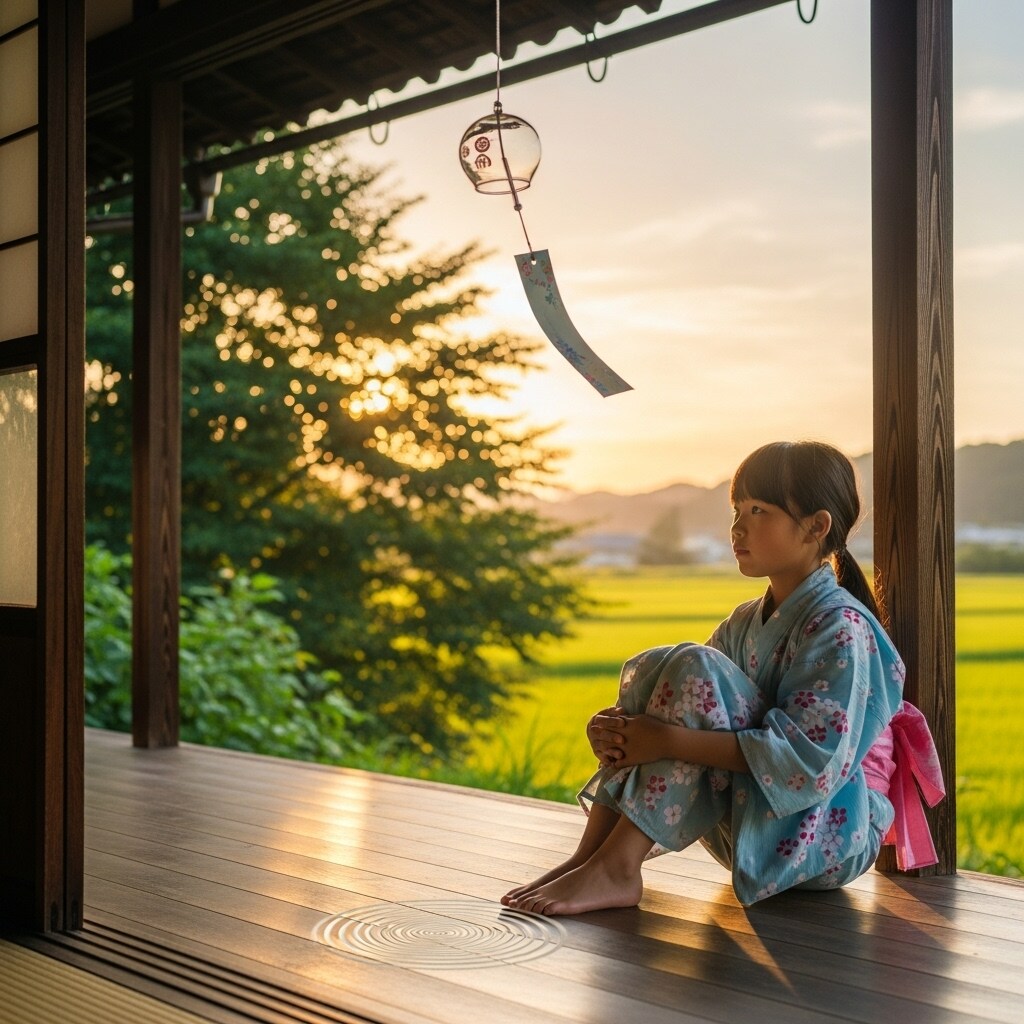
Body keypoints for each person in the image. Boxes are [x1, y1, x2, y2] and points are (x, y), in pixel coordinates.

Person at [501, 440, 944, 915]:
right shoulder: (744, 621)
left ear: (816, 527)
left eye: (758, 510)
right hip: (752, 827)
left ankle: (617, 868)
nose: (738, 527)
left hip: (826, 837)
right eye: (736, 509)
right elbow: (686, 704)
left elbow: (808, 764)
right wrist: (622, 731)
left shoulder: (841, 626)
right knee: (662, 666)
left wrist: (666, 741)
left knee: (695, 667)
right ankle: (590, 859)